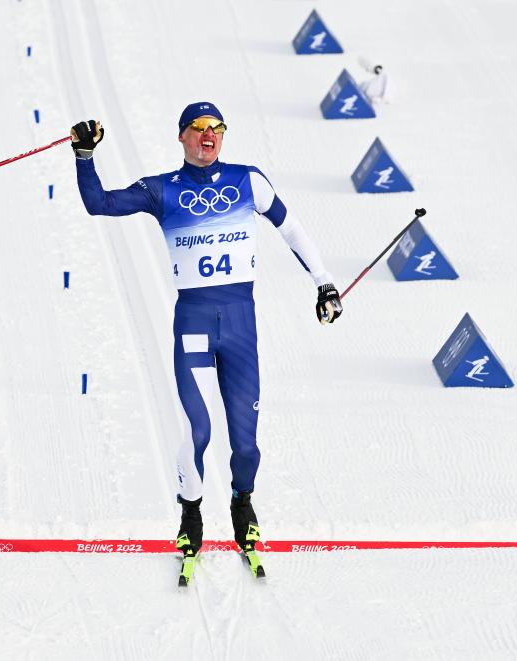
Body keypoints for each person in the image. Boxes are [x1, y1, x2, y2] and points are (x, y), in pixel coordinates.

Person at [70, 102, 343, 574]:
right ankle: (190, 514)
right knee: (197, 432)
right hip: (194, 324)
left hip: (240, 325)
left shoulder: (247, 181)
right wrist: (84, 156)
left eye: (215, 127)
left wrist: (324, 282)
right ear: (182, 136)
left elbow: (292, 228)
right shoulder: (162, 190)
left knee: (246, 444)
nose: (207, 134)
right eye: (197, 128)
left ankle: (242, 503)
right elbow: (100, 204)